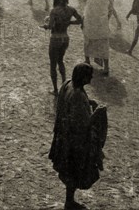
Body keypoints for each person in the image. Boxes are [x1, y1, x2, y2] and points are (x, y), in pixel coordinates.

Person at [49, 63, 107, 210]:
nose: (92, 78)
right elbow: (83, 123)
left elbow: (68, 106)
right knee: (75, 170)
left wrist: (87, 102)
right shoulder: (78, 95)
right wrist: (98, 112)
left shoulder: (67, 84)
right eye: (89, 76)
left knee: (69, 171)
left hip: (64, 137)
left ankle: (69, 200)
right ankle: (69, 202)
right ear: (84, 77)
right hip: (75, 142)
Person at [41, 0, 83, 94]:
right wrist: (69, 23)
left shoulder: (54, 11)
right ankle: (64, 87)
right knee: (61, 61)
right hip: (65, 38)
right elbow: (80, 20)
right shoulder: (71, 9)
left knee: (53, 65)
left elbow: (50, 26)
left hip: (55, 39)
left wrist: (44, 26)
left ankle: (55, 90)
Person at [79, 0, 121, 76]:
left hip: (89, 20)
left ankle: (87, 61)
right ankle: (106, 67)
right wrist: (106, 18)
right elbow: (111, 8)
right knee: (103, 44)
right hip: (102, 22)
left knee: (87, 40)